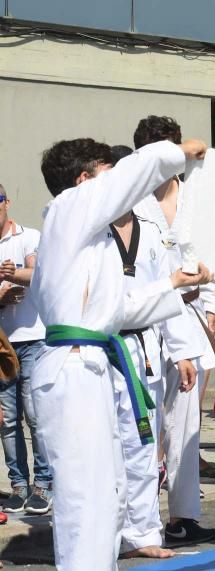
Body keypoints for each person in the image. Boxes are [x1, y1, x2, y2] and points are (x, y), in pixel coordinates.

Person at [31, 136, 210, 570]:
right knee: (85, 496)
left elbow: (117, 309)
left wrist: (173, 287)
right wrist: (178, 151)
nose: (118, 185)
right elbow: (133, 173)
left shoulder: (89, 241)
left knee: (110, 489)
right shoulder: (67, 209)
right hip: (72, 368)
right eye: (106, 173)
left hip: (94, 361)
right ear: (83, 181)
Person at [132, 116, 215, 546]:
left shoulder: (195, 197)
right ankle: (140, 519)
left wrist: (212, 306)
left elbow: (214, 254)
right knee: (144, 427)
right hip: (148, 320)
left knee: (185, 428)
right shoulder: (129, 202)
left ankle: (183, 516)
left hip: (188, 315)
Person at [0, 185, 52, 516]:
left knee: (36, 416)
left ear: (6, 202)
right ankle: (18, 484)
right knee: (7, 421)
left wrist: (14, 276)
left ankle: (43, 485)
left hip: (34, 338)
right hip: (2, 344)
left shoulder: (28, 237)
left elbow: (40, 274)